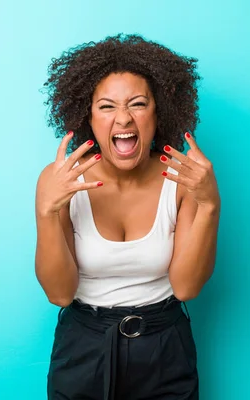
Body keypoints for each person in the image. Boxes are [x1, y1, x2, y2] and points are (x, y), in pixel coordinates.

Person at [35, 34, 220, 400]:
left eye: (138, 103)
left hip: (165, 347)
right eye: (106, 106)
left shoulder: (183, 180)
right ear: (87, 115)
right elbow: (59, 294)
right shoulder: (60, 180)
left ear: (159, 111)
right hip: (83, 346)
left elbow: (186, 288)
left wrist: (210, 205)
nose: (123, 117)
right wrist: (47, 211)